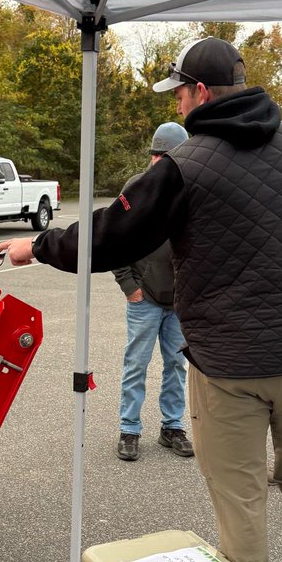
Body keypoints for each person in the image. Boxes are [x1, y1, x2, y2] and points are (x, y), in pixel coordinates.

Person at [0, 37, 282, 562]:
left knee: (241, 501)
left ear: (197, 93)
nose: (181, 102)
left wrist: (40, 246)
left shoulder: (184, 163)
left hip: (228, 365)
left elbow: (111, 238)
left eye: (180, 91)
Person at [113, 121, 194, 463]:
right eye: (159, 157)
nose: (160, 164)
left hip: (179, 300)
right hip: (144, 297)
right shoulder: (136, 188)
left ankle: (171, 427)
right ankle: (129, 429)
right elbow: (115, 239)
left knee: (176, 364)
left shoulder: (190, 188)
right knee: (137, 363)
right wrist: (129, 285)